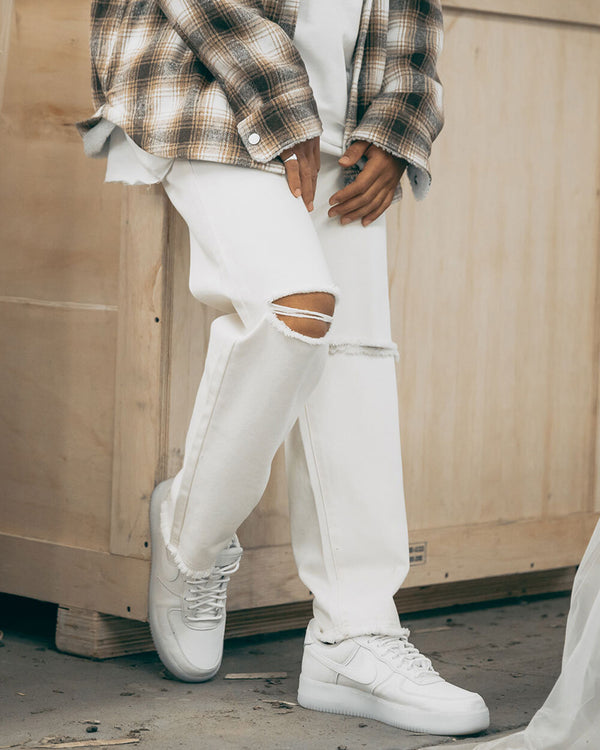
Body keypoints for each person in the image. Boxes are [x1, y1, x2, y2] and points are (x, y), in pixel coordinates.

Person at [76, 0, 490, 736]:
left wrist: (396, 124)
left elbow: (414, 19)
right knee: (296, 308)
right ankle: (189, 538)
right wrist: (282, 101)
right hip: (208, 91)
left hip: (342, 118)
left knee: (358, 355)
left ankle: (353, 634)